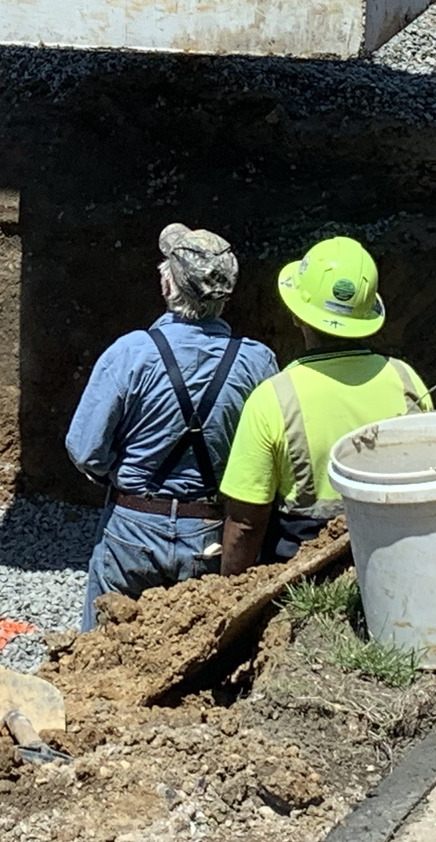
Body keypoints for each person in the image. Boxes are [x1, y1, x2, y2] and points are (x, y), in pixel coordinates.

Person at [65, 223, 279, 629]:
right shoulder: (258, 363)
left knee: (101, 651)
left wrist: (118, 472)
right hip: (211, 531)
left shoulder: (130, 353)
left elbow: (85, 448)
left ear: (167, 286)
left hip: (133, 525)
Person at [217, 236, 429, 574]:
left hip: (305, 578)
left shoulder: (273, 399)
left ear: (297, 315)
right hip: (398, 565)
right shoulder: (407, 381)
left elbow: (245, 524)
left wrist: (229, 590)